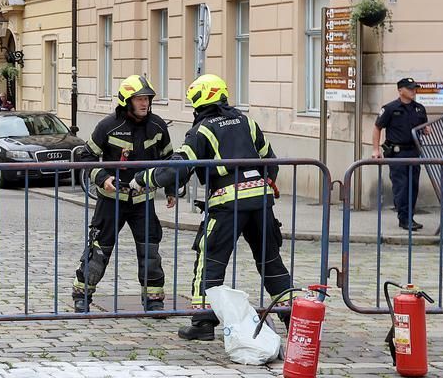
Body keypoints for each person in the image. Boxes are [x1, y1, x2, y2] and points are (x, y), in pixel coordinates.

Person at [135, 74, 294, 341]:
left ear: (200, 100)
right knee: (270, 260)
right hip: (261, 202)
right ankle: (293, 316)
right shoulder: (248, 122)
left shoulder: (203, 129)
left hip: (227, 204)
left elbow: (180, 166)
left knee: (210, 259)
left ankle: (203, 322)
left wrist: (144, 180)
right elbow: (270, 160)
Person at [74, 74, 175, 314]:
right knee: (99, 249)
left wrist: (171, 188)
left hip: (143, 200)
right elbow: (85, 157)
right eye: (139, 99)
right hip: (111, 201)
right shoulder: (108, 126)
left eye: (147, 99)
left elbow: (171, 160)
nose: (144, 104)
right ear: (126, 101)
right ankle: (82, 295)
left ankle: (154, 301)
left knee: (150, 251)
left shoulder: (158, 126)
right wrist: (102, 178)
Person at [373, 77, 429, 232]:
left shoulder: (419, 108)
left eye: (414, 88)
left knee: (413, 185)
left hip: (414, 151)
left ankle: (409, 217)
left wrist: (425, 130)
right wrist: (375, 149)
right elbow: (377, 127)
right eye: (410, 88)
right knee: (401, 186)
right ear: (400, 90)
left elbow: (423, 127)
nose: (413, 91)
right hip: (397, 152)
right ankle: (404, 218)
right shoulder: (390, 108)